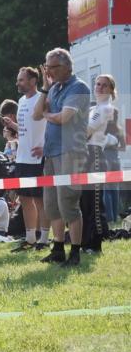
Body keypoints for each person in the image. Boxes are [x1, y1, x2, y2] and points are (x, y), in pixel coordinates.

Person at [33, 48, 91, 267]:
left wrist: (48, 115)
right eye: (46, 67)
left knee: (68, 203)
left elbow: (64, 117)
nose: (48, 71)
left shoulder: (79, 87)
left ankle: (75, 253)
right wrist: (46, 89)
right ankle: (57, 248)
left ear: (67, 66)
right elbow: (36, 114)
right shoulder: (54, 88)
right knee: (51, 205)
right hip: (51, 152)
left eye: (53, 67)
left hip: (70, 151)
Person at [11, 67, 50, 251]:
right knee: (25, 199)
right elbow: (28, 127)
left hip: (37, 158)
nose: (18, 83)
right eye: (18, 80)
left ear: (33, 81)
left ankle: (44, 238)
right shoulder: (20, 100)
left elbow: (50, 125)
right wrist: (13, 126)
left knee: (40, 200)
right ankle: (30, 238)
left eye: (21, 80)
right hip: (22, 157)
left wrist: (45, 147)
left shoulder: (42, 98)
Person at [82, 73, 117, 252]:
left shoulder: (105, 108)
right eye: (97, 84)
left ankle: (95, 244)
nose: (99, 87)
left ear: (111, 89)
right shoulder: (94, 108)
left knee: (94, 202)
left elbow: (87, 131)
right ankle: (86, 242)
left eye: (104, 85)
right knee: (85, 201)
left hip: (94, 153)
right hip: (86, 153)